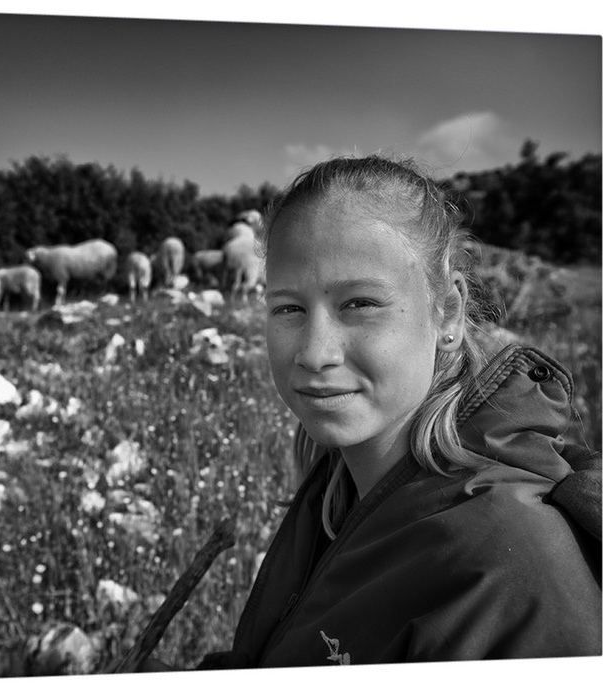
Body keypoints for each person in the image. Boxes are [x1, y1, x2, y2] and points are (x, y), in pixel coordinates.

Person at [175, 155, 601, 669]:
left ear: (447, 311)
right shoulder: (335, 494)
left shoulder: (507, 570)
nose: (314, 353)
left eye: (360, 304)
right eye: (289, 308)